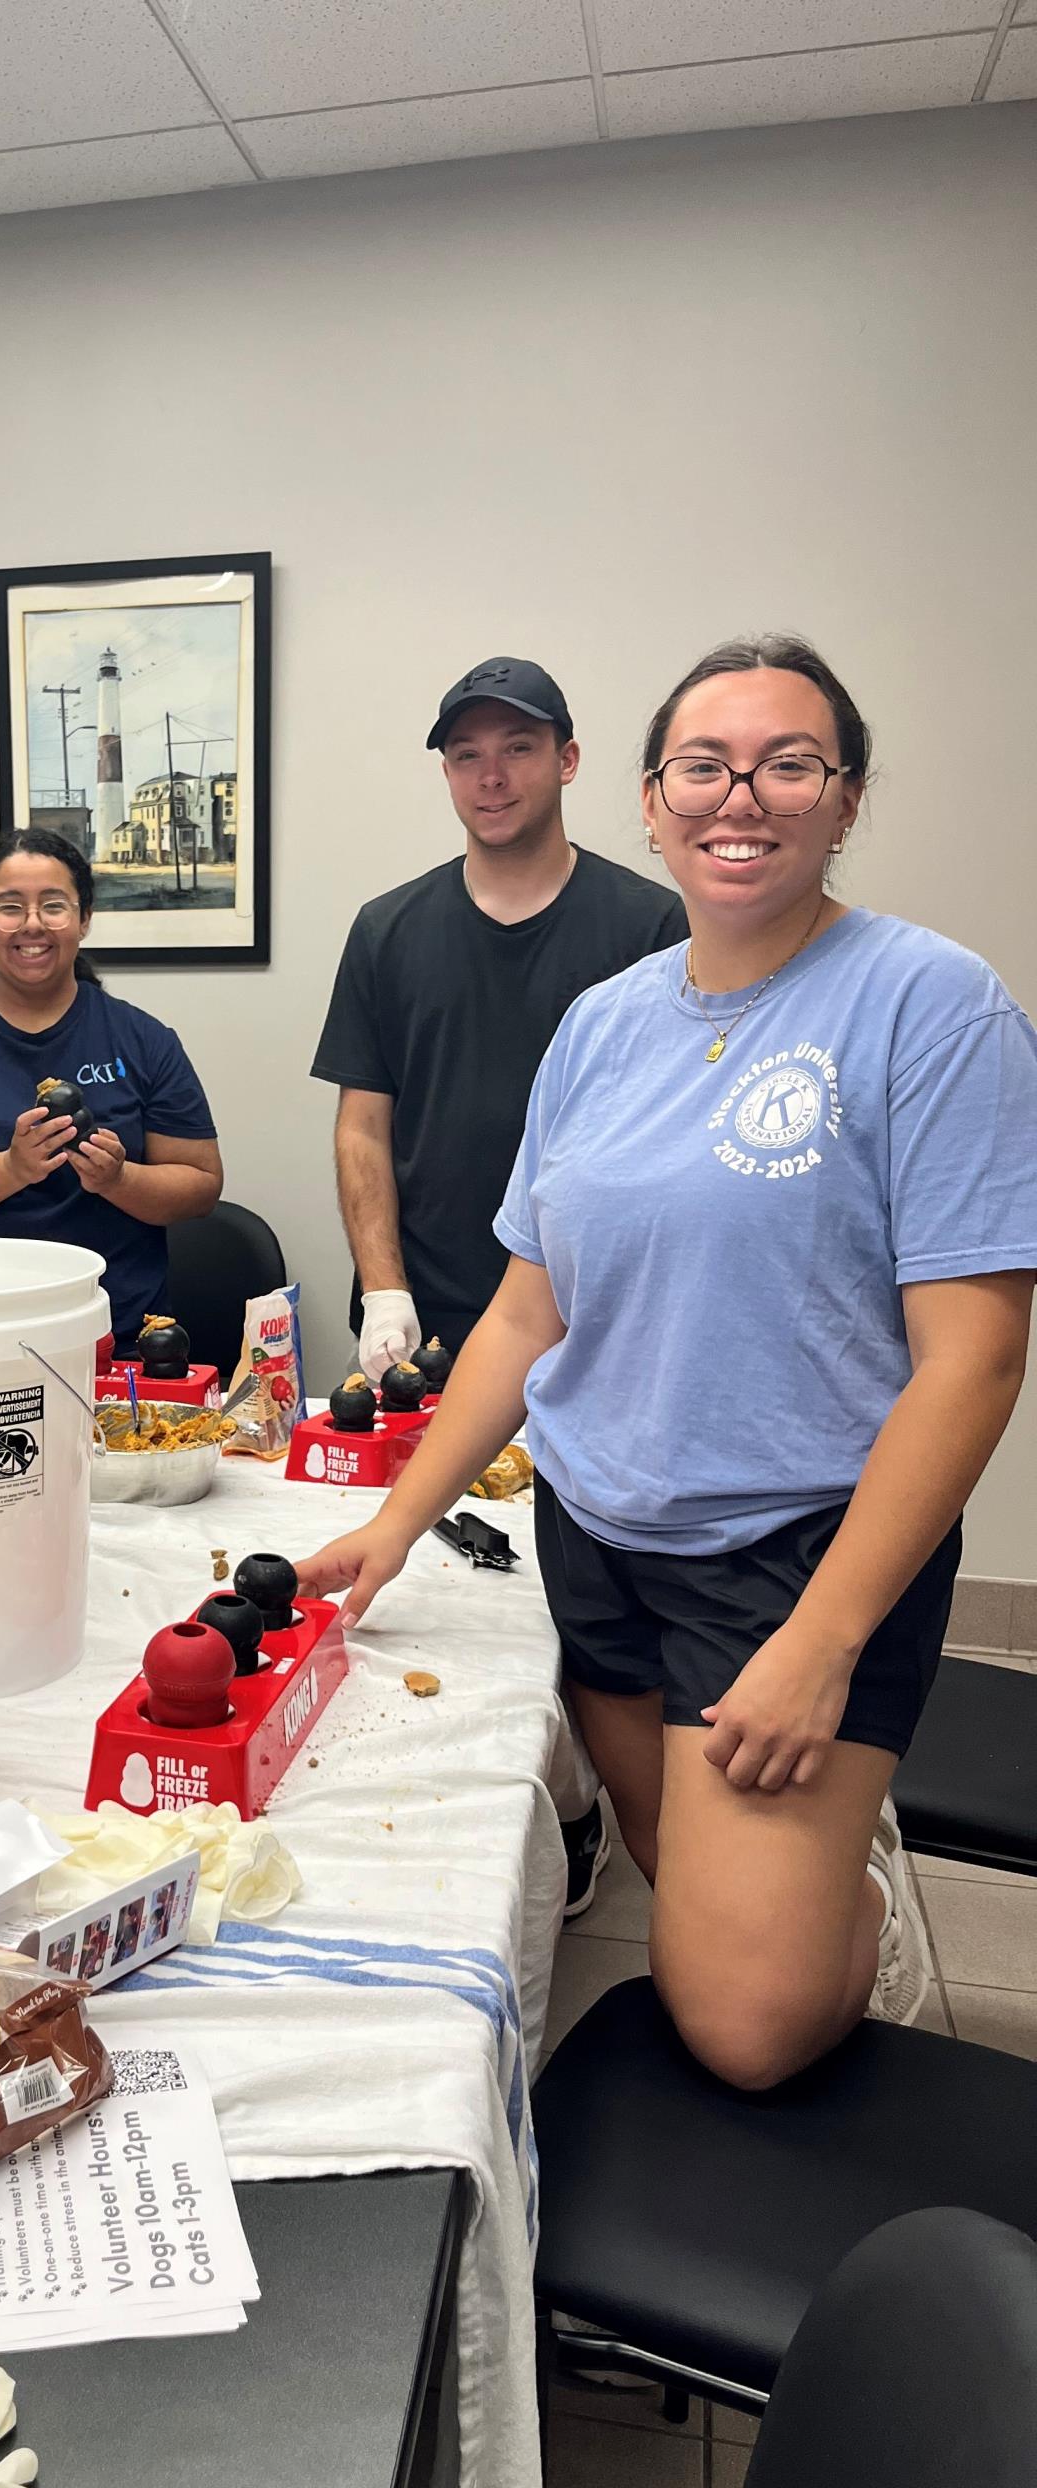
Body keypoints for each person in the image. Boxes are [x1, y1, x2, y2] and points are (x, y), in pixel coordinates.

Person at [295, 635, 1037, 2089]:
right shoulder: (604, 1027)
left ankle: (854, 1904)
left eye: (787, 762)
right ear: (650, 797)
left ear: (845, 797)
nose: (739, 795)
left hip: (790, 1549)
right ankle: (783, 1881)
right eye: (705, 764)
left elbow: (978, 1362)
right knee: (660, 1858)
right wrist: (395, 1521)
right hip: (599, 1531)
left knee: (743, 2027)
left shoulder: (932, 1006)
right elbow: (526, 1313)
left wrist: (820, 1645)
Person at [313, 656, 685, 1372]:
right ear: (447, 774)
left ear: (567, 759)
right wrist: (385, 1291)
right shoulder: (386, 930)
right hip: (431, 1320)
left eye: (518, 748)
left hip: (592, 1318)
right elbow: (362, 1128)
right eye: (467, 756)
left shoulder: (652, 928)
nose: (492, 777)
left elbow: (670, 1141)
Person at [0, 829, 222, 1346]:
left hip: (118, 1338)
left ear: (84, 918)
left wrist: (118, 1180)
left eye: (53, 905)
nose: (32, 924)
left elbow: (201, 1185)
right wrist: (11, 1169)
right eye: (10, 907)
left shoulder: (143, 1040)